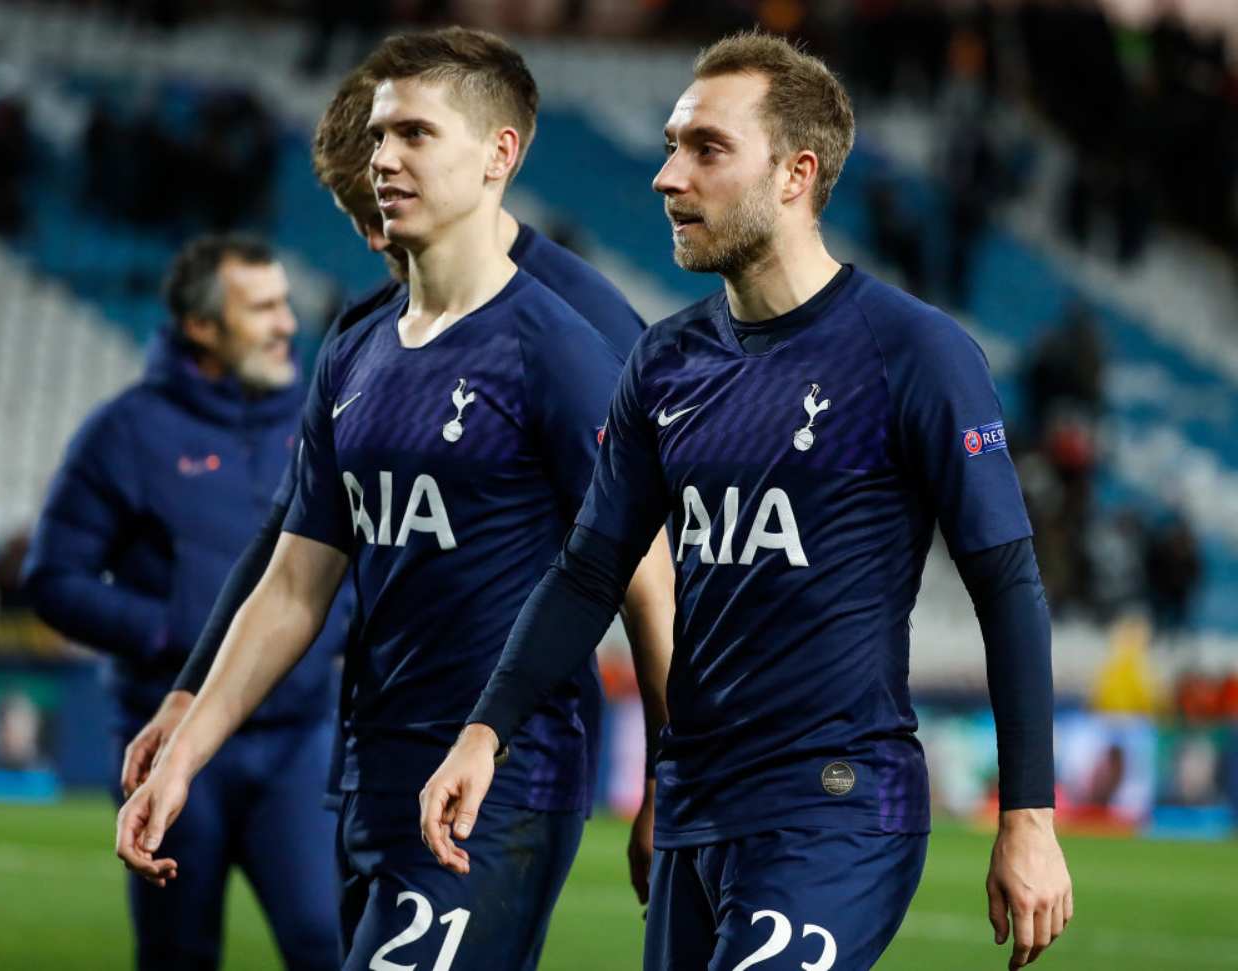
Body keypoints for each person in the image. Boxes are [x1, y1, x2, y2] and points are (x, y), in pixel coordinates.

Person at [421, 31, 1074, 971]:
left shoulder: (913, 353)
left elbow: (1007, 584)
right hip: (696, 807)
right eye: (670, 146)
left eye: (707, 149)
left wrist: (1030, 816)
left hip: (836, 806)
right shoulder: (664, 361)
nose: (668, 177)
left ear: (796, 174)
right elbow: (590, 570)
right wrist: (485, 732)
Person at [115, 27, 674, 971]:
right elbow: (292, 575)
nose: (384, 162)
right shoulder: (356, 347)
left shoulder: (568, 342)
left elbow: (647, 576)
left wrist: (672, 779)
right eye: (379, 138)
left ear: (498, 155)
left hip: (500, 773)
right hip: (371, 767)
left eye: (413, 134)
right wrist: (185, 744)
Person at [23, 235, 342, 971]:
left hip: (299, 738)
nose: (287, 323)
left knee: (326, 940)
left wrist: (338, 632)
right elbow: (52, 576)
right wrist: (172, 632)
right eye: (261, 308)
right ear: (201, 325)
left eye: (284, 303)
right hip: (170, 736)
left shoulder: (320, 417)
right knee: (178, 953)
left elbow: (347, 559)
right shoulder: (123, 432)